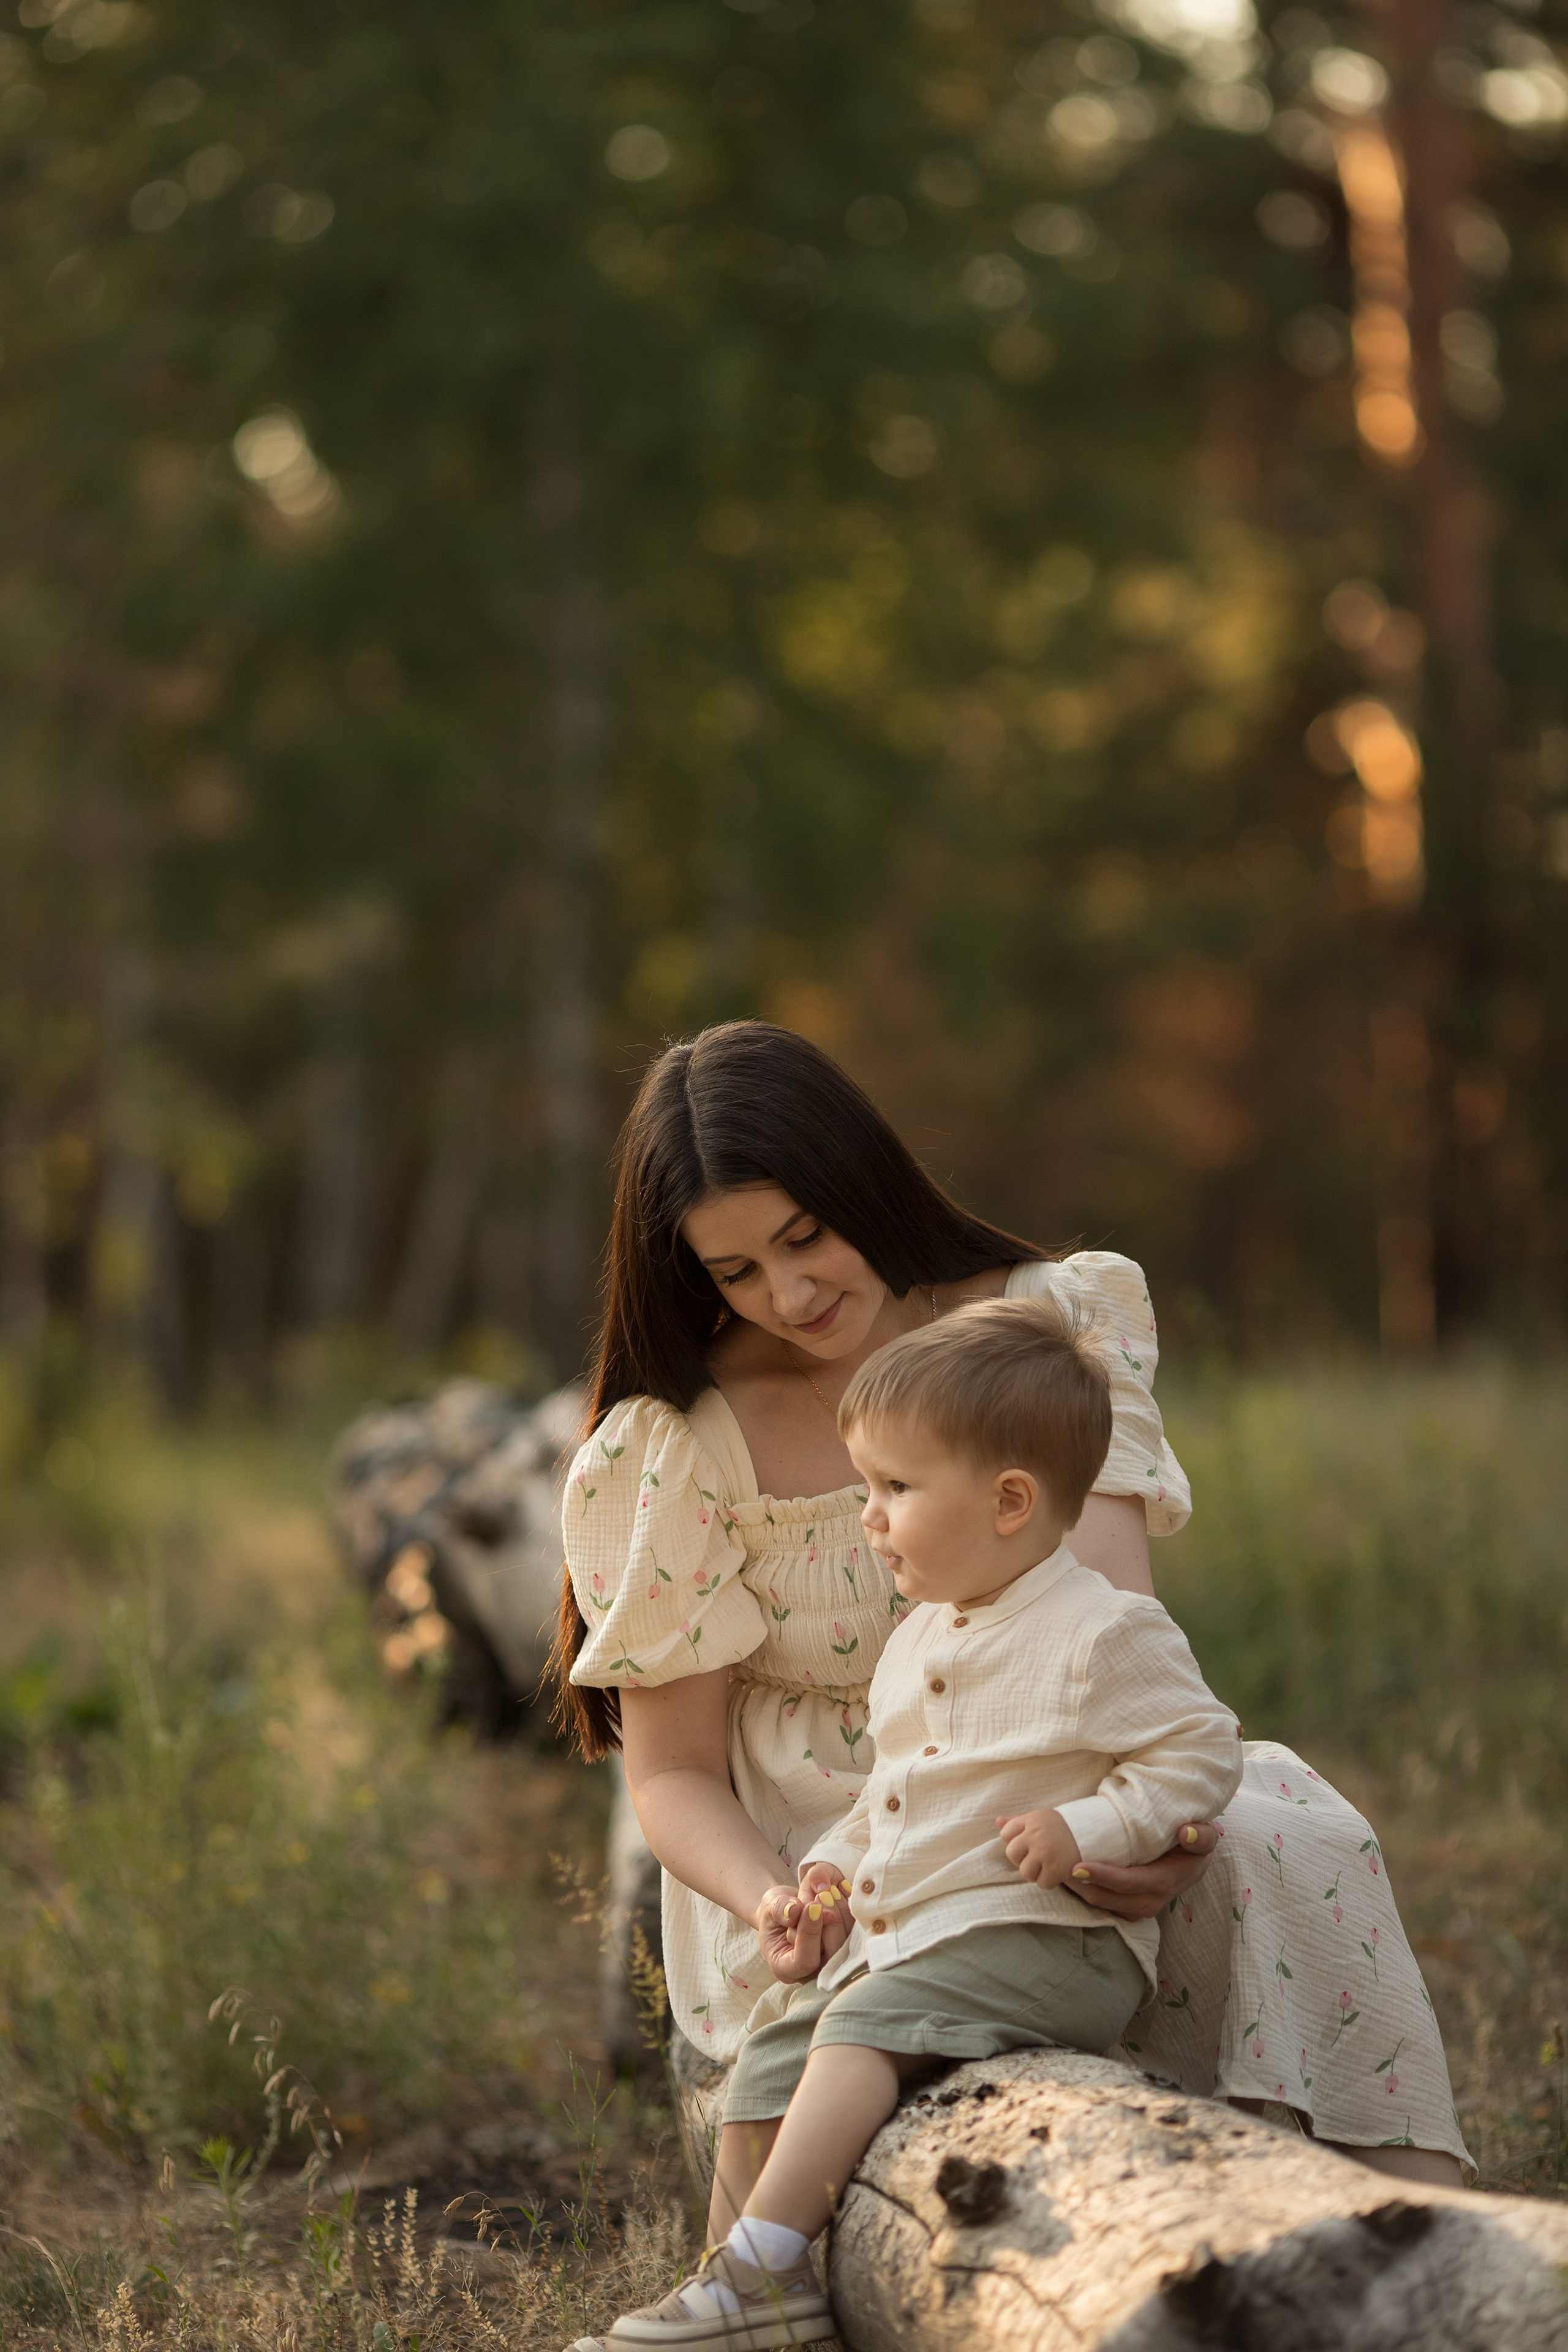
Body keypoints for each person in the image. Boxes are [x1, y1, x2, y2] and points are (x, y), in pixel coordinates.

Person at [554, 1020, 1469, 2255]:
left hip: (1050, 1789)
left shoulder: (1044, 1328)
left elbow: (1103, 1633)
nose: (788, 1295)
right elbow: (666, 1772)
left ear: (859, 1181)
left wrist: (1154, 1834)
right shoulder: (680, 1438)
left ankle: (1428, 2237)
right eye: (734, 1273)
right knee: (870, 1984)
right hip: (834, 1845)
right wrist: (773, 1895)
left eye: (803, 1236)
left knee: (1280, 1840)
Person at [601, 1296, 1246, 2348]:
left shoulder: (1101, 1630)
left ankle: (761, 2276)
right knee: (772, 2061)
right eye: (868, 1484)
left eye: (895, 1488)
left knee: (858, 2029)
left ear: (1008, 1501)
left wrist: (1094, 1825)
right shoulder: (918, 1641)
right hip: (935, 1938)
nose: (868, 1514)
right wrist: (829, 1881)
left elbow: (1200, 1752)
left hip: (1054, 1942)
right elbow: (888, 1800)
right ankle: (730, 2294)